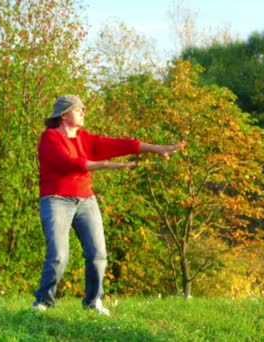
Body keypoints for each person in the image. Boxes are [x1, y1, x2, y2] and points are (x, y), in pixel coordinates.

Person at [32, 95, 183, 316]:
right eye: (78, 109)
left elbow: (117, 144)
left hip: (86, 200)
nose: (83, 112)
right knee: (59, 255)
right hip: (56, 199)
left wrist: (156, 148)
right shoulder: (50, 138)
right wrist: (106, 165)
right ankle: (43, 302)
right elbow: (68, 163)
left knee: (98, 253)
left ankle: (93, 302)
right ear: (64, 115)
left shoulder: (85, 138)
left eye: (83, 109)